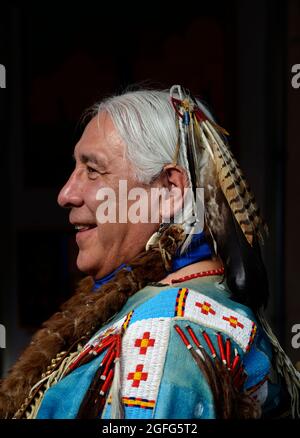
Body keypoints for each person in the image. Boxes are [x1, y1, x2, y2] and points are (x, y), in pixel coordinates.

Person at [0, 85, 299, 419]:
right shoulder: (188, 308)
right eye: (75, 169)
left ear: (170, 189)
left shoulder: (158, 339)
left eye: (93, 170)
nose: (66, 193)